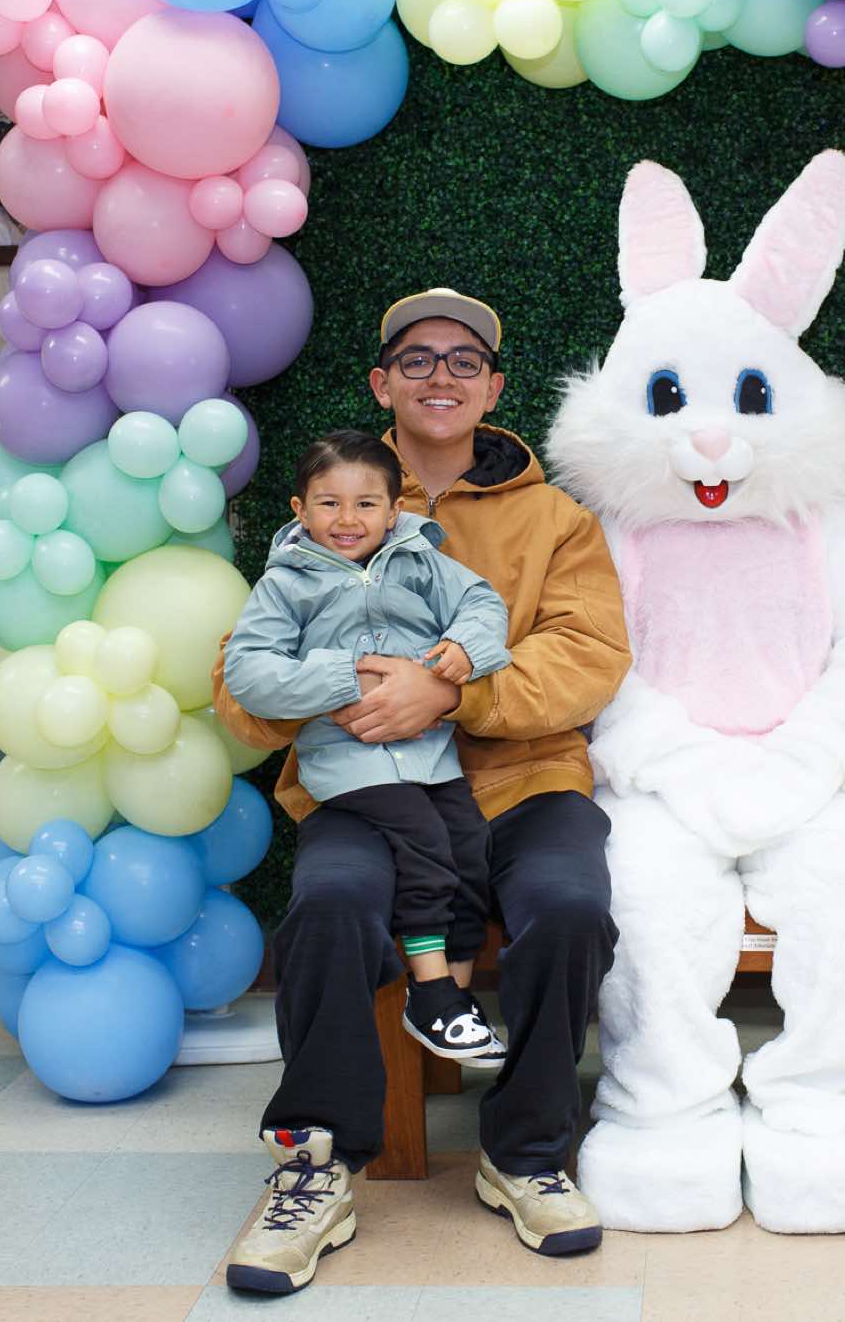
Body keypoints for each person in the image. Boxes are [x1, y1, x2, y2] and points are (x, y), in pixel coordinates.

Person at [212, 288, 628, 1295]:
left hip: (523, 780)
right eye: (416, 358)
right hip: (367, 787)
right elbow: (241, 684)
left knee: (570, 906)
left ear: (493, 387)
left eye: (462, 360)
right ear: (381, 382)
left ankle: (526, 1153)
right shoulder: (331, 505)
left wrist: (446, 694)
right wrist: (341, 692)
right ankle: (315, 1164)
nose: (440, 375)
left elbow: (587, 656)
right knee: (329, 904)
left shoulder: (558, 521)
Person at [225, 429, 514, 1068]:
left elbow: (482, 603)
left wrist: (465, 650)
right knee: (425, 846)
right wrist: (341, 679)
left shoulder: (421, 561)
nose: (347, 519)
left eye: (366, 504)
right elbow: (248, 672)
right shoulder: (285, 585)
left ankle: (454, 998)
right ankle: (431, 991)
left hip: (429, 754)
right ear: (300, 511)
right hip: (350, 760)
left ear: (393, 510)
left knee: (470, 849)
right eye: (329, 503)